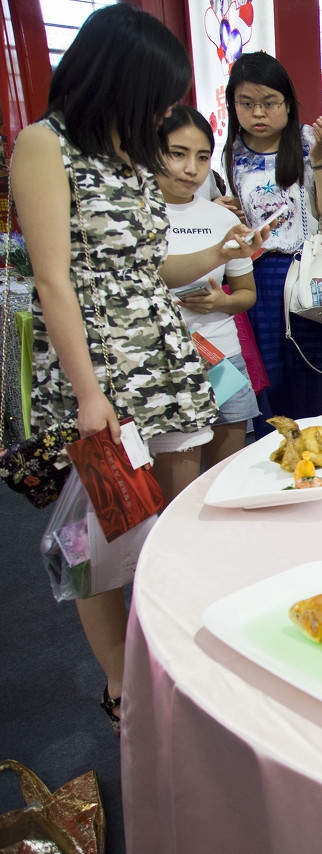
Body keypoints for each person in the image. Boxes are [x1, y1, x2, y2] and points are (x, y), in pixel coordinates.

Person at [10, 4, 266, 733]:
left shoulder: (126, 155)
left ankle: (171, 651)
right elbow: (55, 280)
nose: (161, 110)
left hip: (161, 353)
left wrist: (219, 253)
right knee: (102, 533)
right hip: (100, 370)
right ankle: (121, 683)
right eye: (155, 91)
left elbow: (147, 265)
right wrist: (89, 396)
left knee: (171, 516)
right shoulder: (44, 145)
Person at [221, 51, 322, 437]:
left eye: (269, 102)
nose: (258, 112)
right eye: (246, 103)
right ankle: (277, 453)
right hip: (259, 277)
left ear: (288, 103)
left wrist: (321, 161)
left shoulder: (311, 139)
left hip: (312, 269)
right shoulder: (233, 151)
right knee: (271, 381)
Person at [158, 105, 259, 467]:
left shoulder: (221, 218)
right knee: (177, 484)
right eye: (178, 154)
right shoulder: (140, 215)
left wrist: (219, 301)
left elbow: (246, 295)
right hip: (164, 361)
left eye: (202, 157)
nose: (191, 169)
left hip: (222, 357)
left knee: (226, 475)